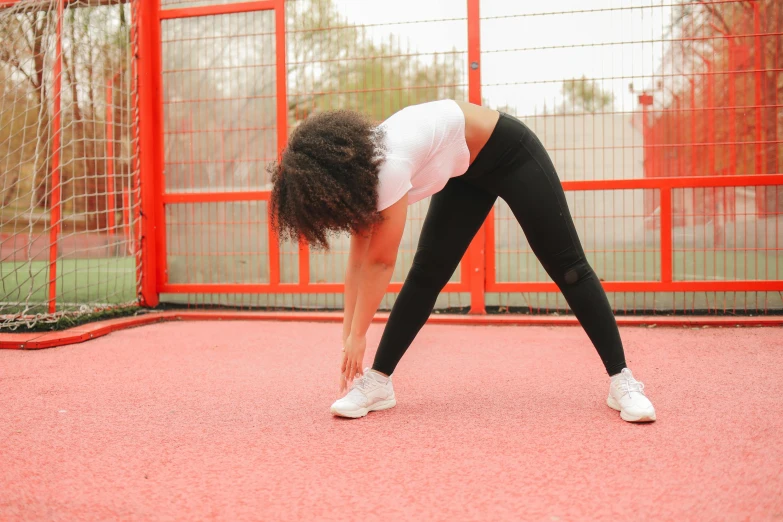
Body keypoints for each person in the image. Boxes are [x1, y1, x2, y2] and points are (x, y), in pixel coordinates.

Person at [269, 100, 656, 423]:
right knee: (426, 273)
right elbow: (357, 261)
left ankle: (622, 381)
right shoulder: (358, 177)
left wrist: (359, 336)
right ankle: (378, 382)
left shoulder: (386, 165)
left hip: (510, 154)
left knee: (568, 266)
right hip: (465, 171)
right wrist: (347, 336)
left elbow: (380, 263)